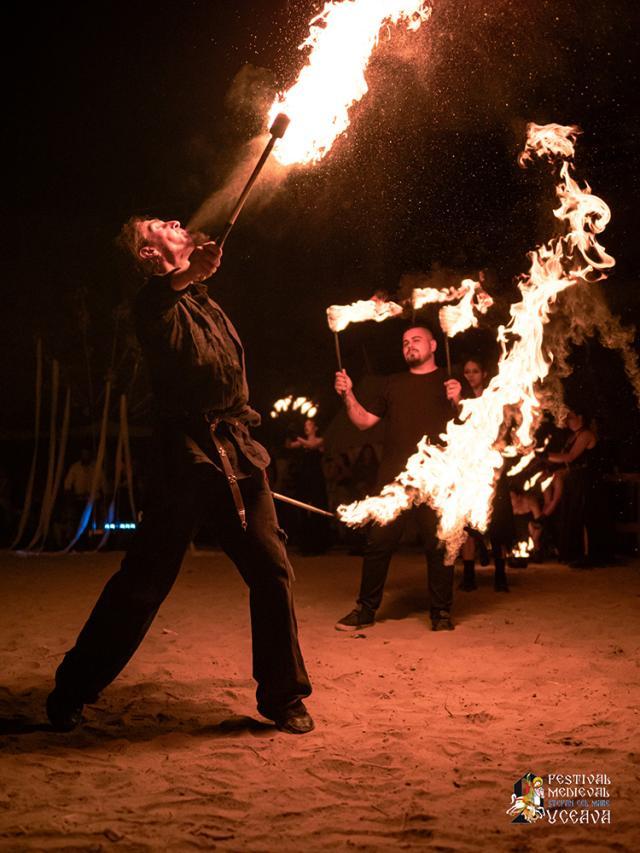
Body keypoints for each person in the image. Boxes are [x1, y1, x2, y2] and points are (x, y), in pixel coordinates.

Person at [46, 217, 313, 735]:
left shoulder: (201, 298)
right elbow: (157, 302)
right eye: (157, 226)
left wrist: (195, 276)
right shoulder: (152, 304)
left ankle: (283, 696)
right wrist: (182, 278)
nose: (174, 220)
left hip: (239, 450)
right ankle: (72, 688)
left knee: (272, 567)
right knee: (144, 584)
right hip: (186, 458)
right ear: (148, 255)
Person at [334, 324, 461, 632]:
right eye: (404, 342)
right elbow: (363, 422)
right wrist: (348, 394)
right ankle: (365, 609)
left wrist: (459, 401)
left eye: (416, 340)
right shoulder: (393, 383)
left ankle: (441, 613)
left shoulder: (451, 382)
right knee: (378, 544)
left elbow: (473, 424)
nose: (409, 346)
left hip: (436, 477)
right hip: (395, 479)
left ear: (433, 345)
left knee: (440, 544)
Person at [458, 360, 514, 592]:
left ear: (484, 373)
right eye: (467, 372)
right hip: (470, 471)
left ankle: (500, 574)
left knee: (498, 524)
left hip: (493, 470)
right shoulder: (462, 402)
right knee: (468, 526)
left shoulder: (495, 402)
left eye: (475, 371)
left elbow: (505, 433)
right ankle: (469, 575)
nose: (470, 376)